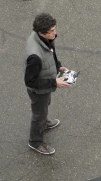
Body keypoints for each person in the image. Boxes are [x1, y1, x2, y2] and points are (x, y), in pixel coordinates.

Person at [24, 13, 71, 156]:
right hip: (38, 90)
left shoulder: (43, 39)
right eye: (51, 31)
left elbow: (50, 53)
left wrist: (58, 66)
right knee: (39, 113)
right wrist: (54, 82)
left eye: (54, 29)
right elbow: (30, 81)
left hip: (45, 83)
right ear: (41, 33)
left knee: (45, 106)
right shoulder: (35, 57)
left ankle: (43, 123)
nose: (55, 34)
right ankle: (35, 141)